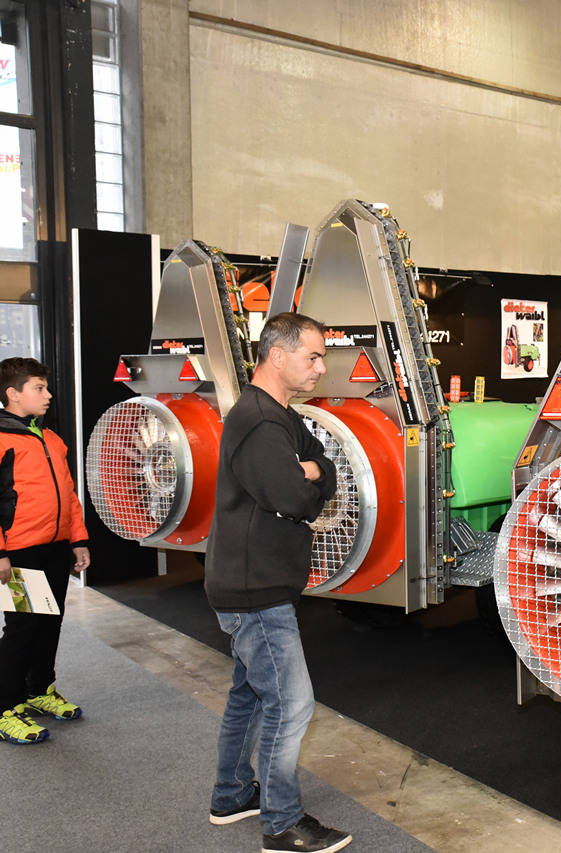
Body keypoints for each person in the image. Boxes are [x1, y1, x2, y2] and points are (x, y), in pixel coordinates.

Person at [204, 313, 351, 853]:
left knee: (249, 695)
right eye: (313, 356)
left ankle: (230, 796)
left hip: (252, 581)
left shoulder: (281, 415)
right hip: (254, 589)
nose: (321, 367)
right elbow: (293, 498)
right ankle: (282, 824)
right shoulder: (261, 422)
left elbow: (325, 465)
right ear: (278, 355)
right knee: (291, 705)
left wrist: (310, 471)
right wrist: (307, 477)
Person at [0, 358, 91, 745]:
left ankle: (39, 690)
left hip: (55, 547)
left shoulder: (51, 439)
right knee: (23, 627)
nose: (48, 394)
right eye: (39, 388)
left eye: (46, 387)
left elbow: (68, 494)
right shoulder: (2, 440)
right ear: (13, 393)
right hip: (19, 551)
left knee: (49, 621)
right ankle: (5, 707)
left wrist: (78, 539)